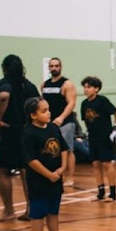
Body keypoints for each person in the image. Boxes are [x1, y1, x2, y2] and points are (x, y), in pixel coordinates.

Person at [21, 97, 74, 231]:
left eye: (48, 109)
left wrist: (63, 168)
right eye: (44, 111)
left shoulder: (52, 128)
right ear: (33, 115)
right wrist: (49, 174)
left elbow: (64, 148)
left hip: (55, 178)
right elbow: (31, 160)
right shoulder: (28, 133)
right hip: (39, 181)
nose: (49, 113)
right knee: (38, 213)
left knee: (53, 210)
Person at [0, 55, 39, 222]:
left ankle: (8, 210)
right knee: (26, 169)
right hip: (28, 131)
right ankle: (31, 209)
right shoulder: (29, 85)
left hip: (10, 131)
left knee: (0, 169)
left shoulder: (5, 82)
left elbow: (3, 96)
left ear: (4, 68)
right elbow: (40, 103)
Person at [80, 76, 116, 201]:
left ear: (96, 89)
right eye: (85, 87)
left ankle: (113, 194)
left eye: (89, 87)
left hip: (104, 137)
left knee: (107, 164)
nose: (86, 90)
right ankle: (100, 192)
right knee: (96, 164)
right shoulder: (84, 104)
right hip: (93, 138)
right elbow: (86, 120)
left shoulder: (102, 101)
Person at [41, 58, 78, 188]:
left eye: (56, 66)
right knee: (52, 150)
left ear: (60, 67)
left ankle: (70, 177)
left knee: (67, 150)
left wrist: (61, 117)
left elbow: (71, 103)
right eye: (51, 66)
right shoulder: (44, 85)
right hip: (50, 123)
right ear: (49, 68)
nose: (54, 68)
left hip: (65, 122)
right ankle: (56, 175)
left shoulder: (67, 84)